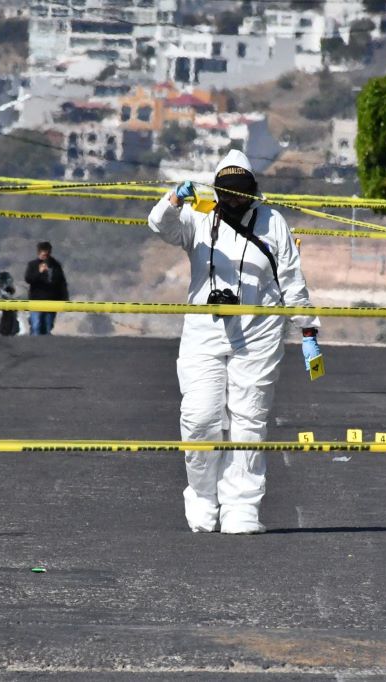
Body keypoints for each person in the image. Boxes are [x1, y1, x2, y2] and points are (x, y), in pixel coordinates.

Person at [147, 149, 322, 535]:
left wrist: (308, 332)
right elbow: (159, 225)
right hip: (204, 330)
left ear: (254, 191)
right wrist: (175, 198)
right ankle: (203, 498)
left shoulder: (273, 222)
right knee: (200, 417)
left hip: (259, 331)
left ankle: (242, 507)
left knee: (249, 421)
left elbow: (292, 281)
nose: (234, 199)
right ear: (216, 189)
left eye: (242, 192)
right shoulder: (199, 214)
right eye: (227, 192)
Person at [24, 241, 69, 335]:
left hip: (51, 300)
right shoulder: (32, 265)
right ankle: (34, 345)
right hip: (36, 300)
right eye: (43, 255)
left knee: (48, 326)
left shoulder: (56, 265)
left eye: (47, 255)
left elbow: (62, 283)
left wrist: (64, 299)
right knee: (36, 326)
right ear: (39, 253)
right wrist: (39, 272)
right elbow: (28, 279)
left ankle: (46, 347)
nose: (45, 257)